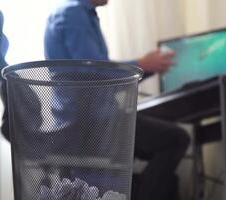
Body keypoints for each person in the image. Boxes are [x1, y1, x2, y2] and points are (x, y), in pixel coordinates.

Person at [44, 0, 190, 199]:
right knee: (176, 139)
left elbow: (96, 76)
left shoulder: (76, 13)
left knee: (158, 146)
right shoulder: (74, 15)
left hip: (84, 123)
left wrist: (146, 68)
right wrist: (142, 64)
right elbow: (94, 72)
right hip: (91, 126)